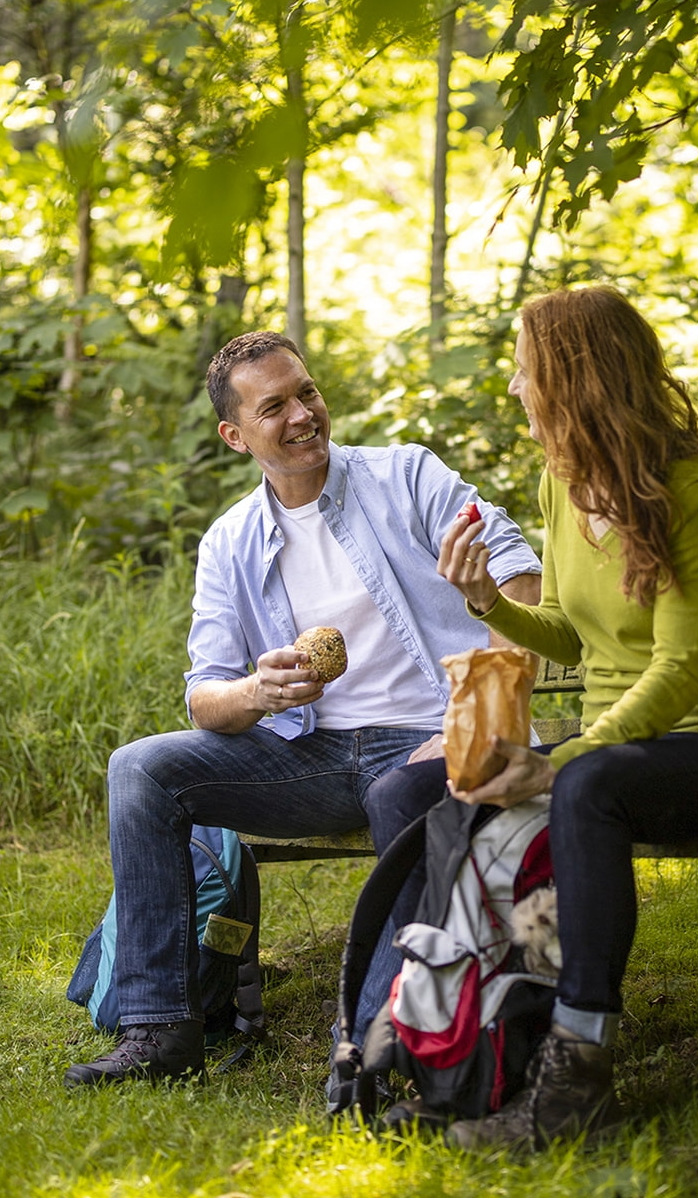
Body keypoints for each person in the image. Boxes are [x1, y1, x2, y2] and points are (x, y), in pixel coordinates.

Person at [370, 285, 698, 1149]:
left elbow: (679, 669)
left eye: (526, 370)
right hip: (614, 756)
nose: (517, 388)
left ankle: (578, 1074)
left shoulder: (692, 485)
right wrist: (484, 598)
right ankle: (448, 1044)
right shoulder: (562, 484)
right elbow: (563, 631)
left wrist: (565, 760)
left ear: (574, 377)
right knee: (415, 793)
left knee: (587, 784)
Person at [64, 331, 541, 1087]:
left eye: (307, 393)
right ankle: (160, 1028)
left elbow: (516, 573)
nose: (302, 415)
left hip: (426, 740)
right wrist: (260, 692)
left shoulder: (407, 475)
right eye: (274, 406)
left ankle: (381, 1036)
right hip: (310, 755)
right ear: (234, 434)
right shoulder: (229, 542)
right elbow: (204, 696)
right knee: (140, 770)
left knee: (398, 796)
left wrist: (474, 719)